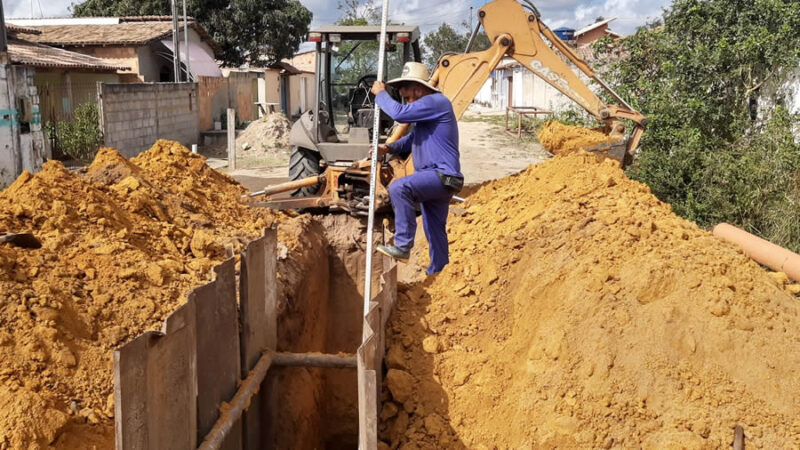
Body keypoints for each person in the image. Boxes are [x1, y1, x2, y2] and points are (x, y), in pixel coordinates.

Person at [370, 62, 463, 275]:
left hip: (441, 175)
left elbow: (400, 114)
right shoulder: (428, 113)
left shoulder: (435, 101)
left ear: (418, 88)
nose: (408, 101)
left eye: (408, 96)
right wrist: (388, 148)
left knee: (399, 188)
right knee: (433, 229)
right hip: (438, 179)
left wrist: (381, 94)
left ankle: (402, 246)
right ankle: (439, 272)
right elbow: (412, 139)